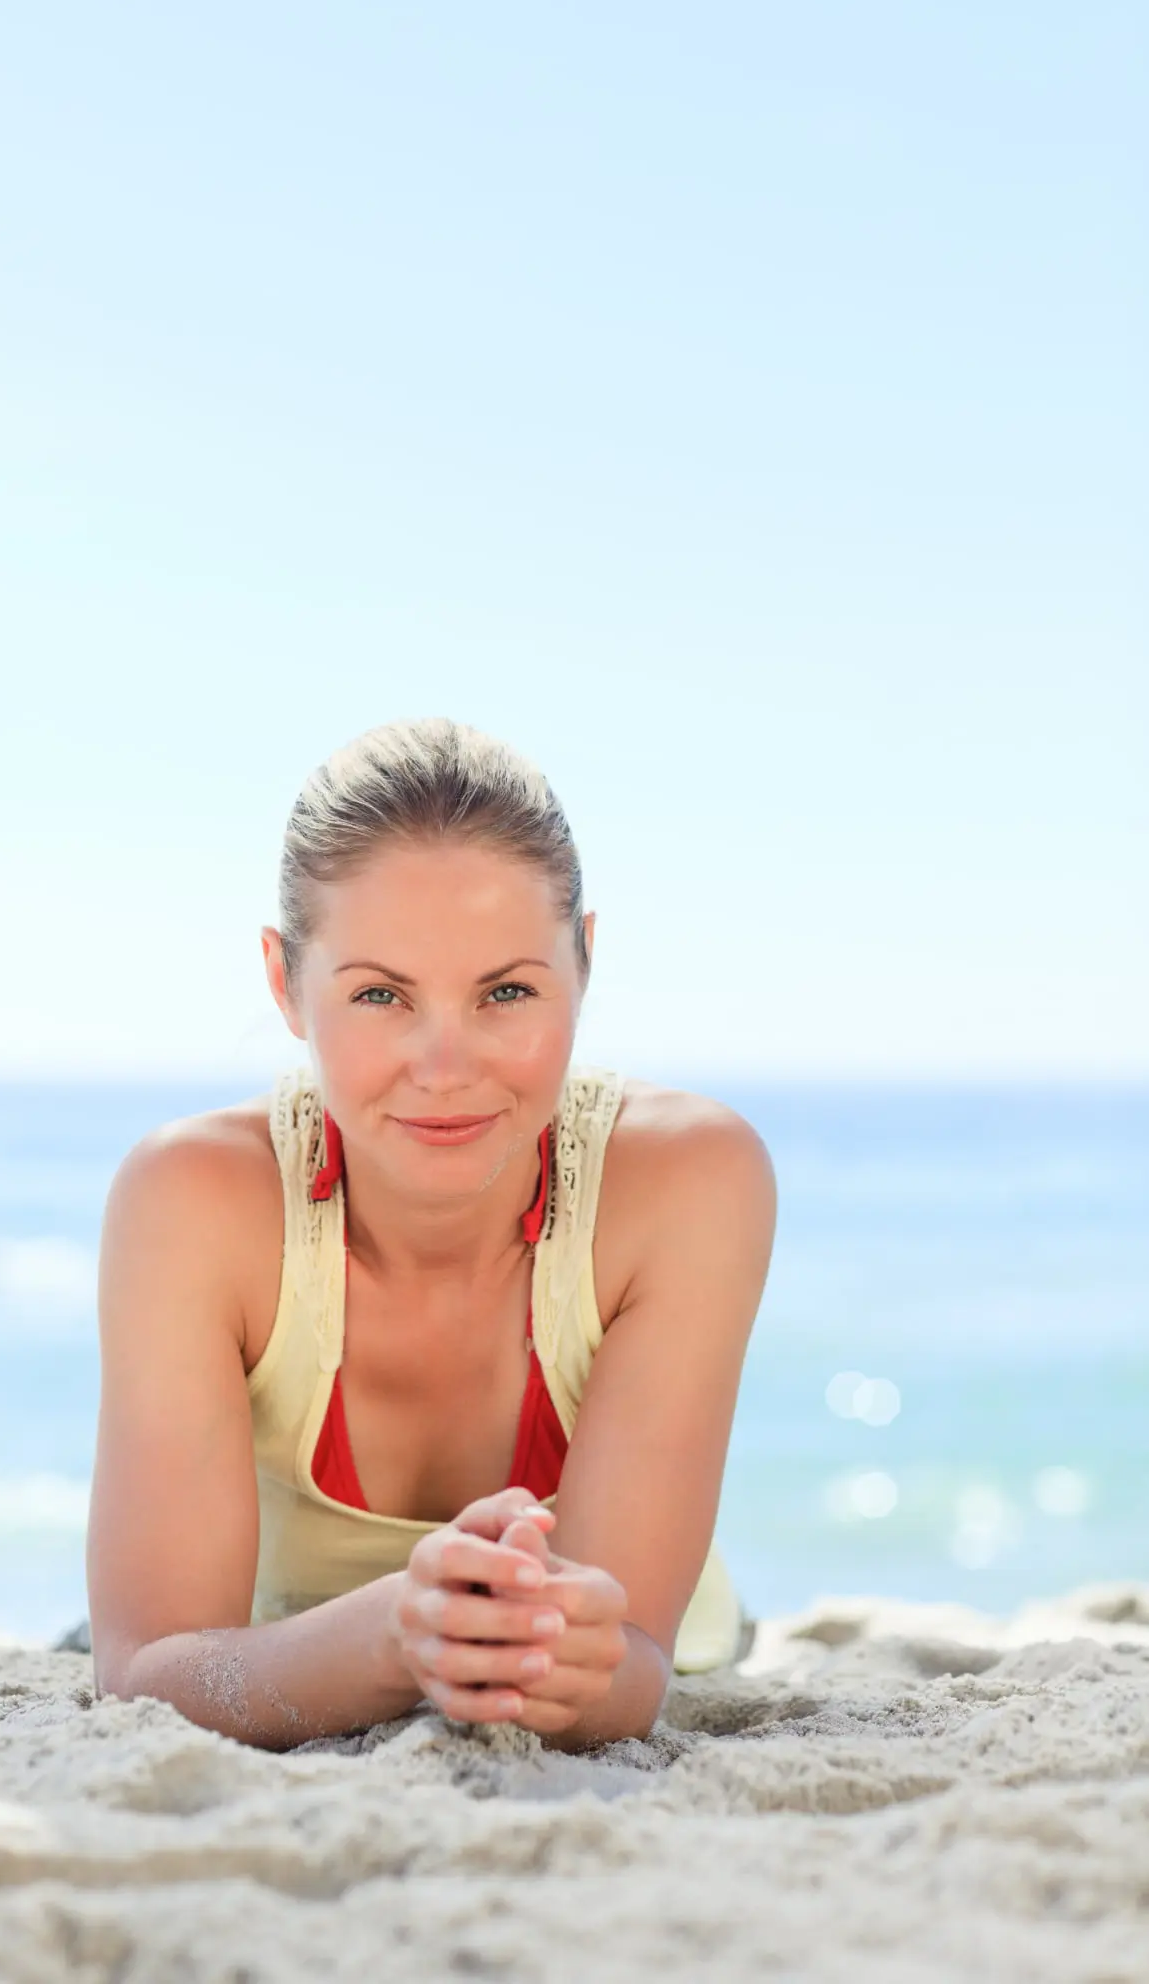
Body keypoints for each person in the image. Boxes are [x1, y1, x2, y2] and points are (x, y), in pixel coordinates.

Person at [88, 718, 776, 1751]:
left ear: (583, 962)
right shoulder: (191, 1200)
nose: (444, 1063)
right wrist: (393, 1638)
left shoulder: (686, 1180)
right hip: (293, 1655)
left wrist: (554, 1653)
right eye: (378, 994)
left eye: (505, 990)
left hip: (684, 1647)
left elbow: (629, 1665)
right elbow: (144, 1672)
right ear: (284, 983)